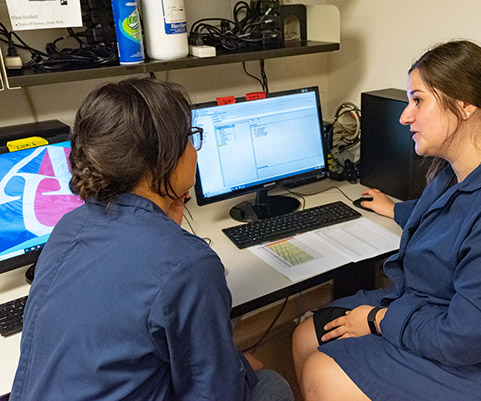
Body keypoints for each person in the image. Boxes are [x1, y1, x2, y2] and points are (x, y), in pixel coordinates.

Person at [292, 40, 481, 401]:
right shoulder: (460, 166)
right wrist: (394, 209)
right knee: (307, 335)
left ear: (464, 105)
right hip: (438, 310)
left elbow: (465, 338)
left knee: (322, 371)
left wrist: (376, 321)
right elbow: (453, 216)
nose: (405, 115)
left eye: (418, 100)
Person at [11, 78, 293, 401]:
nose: (194, 149)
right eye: (189, 138)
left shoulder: (67, 227)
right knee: (271, 384)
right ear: (162, 160)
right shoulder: (189, 264)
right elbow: (216, 393)